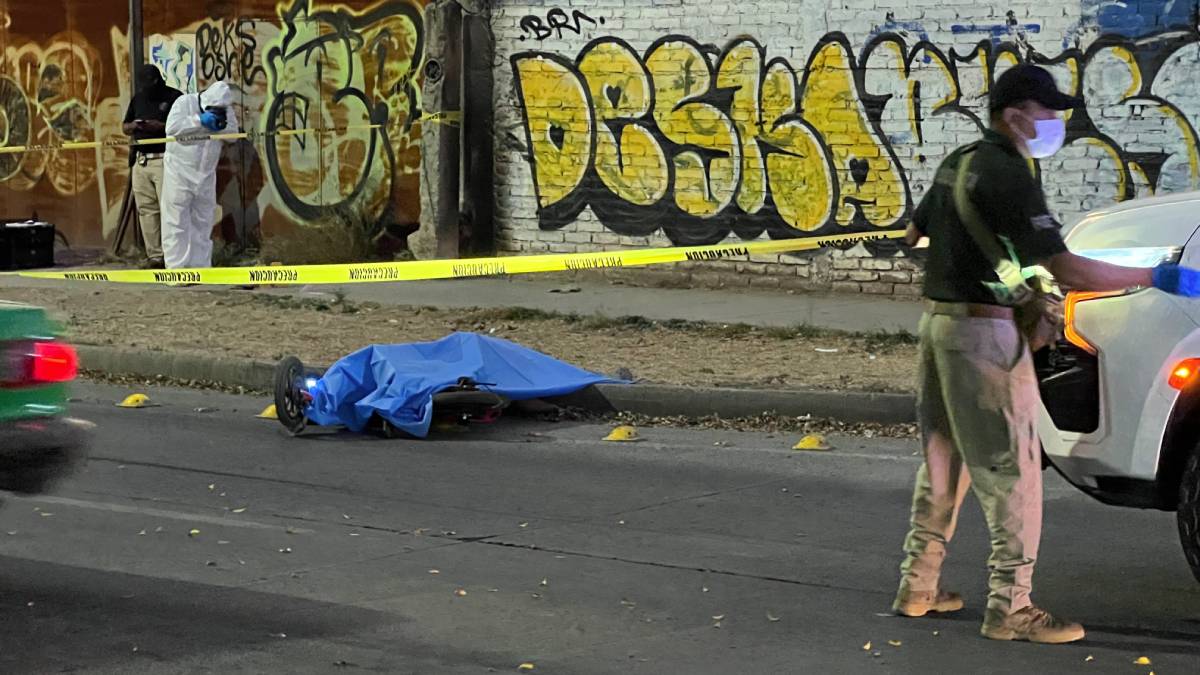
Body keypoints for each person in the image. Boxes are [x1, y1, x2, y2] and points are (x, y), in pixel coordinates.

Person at [893, 64, 1200, 644]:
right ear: (1014, 116)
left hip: (939, 328)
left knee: (943, 463)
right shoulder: (1009, 173)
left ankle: (919, 585)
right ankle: (1012, 607)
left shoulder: (957, 163)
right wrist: (1154, 275)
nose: (1056, 121)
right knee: (1013, 472)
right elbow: (1069, 268)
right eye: (1046, 111)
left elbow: (916, 235)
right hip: (985, 338)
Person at [160, 80, 239, 269]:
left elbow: (234, 135)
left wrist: (221, 125)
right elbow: (171, 129)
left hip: (205, 175)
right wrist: (199, 121)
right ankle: (177, 269)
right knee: (176, 223)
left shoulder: (226, 111)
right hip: (179, 173)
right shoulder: (184, 103)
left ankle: (200, 268)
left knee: (203, 223)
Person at [122, 65, 183, 269]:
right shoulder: (138, 99)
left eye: (150, 83)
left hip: (164, 159)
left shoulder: (175, 97)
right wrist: (135, 126)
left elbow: (184, 125)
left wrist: (161, 126)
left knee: (170, 209)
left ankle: (173, 255)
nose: (147, 88)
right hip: (141, 160)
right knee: (147, 210)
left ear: (157, 80)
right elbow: (125, 125)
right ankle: (155, 256)